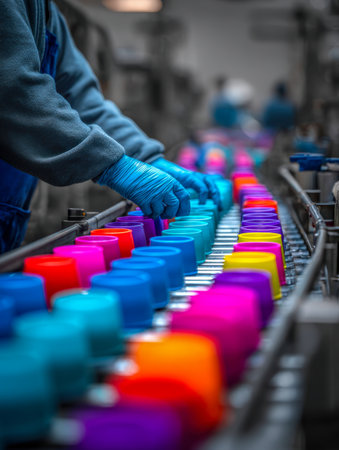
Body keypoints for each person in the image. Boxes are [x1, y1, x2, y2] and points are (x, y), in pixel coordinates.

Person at [0, 0, 220, 253]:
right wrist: (112, 166)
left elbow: (81, 100)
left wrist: (145, 158)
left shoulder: (45, 10)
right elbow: (11, 95)